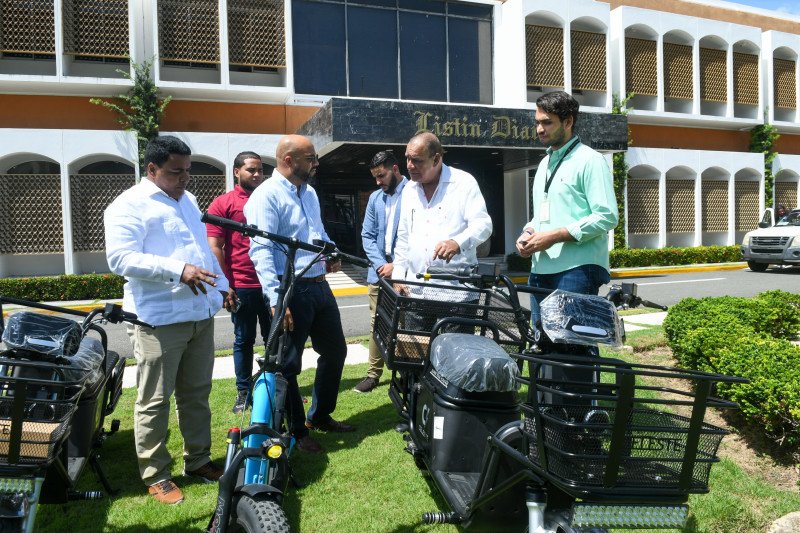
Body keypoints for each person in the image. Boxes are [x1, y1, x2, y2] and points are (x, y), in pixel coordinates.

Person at [104, 135, 234, 505]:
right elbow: (120, 259)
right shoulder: (127, 206)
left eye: (188, 170)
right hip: (158, 319)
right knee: (155, 399)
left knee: (197, 394)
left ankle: (198, 461)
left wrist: (222, 285)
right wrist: (178, 270)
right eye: (176, 172)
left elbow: (202, 253)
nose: (185, 178)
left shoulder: (188, 201)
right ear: (152, 169)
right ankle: (156, 473)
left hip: (199, 314)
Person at [244, 134, 355, 455]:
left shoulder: (309, 193)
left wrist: (330, 250)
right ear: (289, 160)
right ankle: (295, 430)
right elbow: (261, 250)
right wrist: (277, 299)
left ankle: (318, 416)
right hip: (289, 288)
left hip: (319, 284)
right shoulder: (266, 197)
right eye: (311, 158)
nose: (316, 163)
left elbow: (317, 233)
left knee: (335, 352)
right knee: (287, 364)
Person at [516, 90, 619, 325]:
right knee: (540, 347)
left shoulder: (590, 160)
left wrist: (555, 236)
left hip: (577, 269)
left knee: (572, 348)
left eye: (547, 122)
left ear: (568, 121)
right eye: (537, 122)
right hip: (540, 269)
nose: (540, 129)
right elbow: (545, 214)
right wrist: (529, 232)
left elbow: (607, 216)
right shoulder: (544, 163)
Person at [207, 152, 272, 413]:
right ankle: (243, 392)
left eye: (260, 170)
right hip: (242, 285)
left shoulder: (270, 199)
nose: (257, 175)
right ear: (237, 172)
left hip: (270, 285)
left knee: (275, 340)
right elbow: (215, 246)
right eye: (251, 170)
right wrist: (225, 286)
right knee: (243, 340)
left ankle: (274, 388)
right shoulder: (223, 203)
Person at [392, 132, 492, 281]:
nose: (409, 165)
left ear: (436, 159)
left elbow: (483, 225)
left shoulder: (463, 183)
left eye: (416, 160)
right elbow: (404, 236)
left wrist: (457, 242)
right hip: (416, 288)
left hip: (455, 289)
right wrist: (398, 276)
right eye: (407, 157)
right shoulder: (408, 190)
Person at [354, 150, 408, 394]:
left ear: (395, 169)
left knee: (406, 323)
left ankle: (406, 373)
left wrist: (396, 265)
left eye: (382, 175)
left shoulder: (414, 194)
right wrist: (380, 265)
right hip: (378, 273)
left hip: (405, 271)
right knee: (377, 323)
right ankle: (373, 375)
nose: (378, 182)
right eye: (375, 177)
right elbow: (367, 235)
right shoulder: (376, 198)